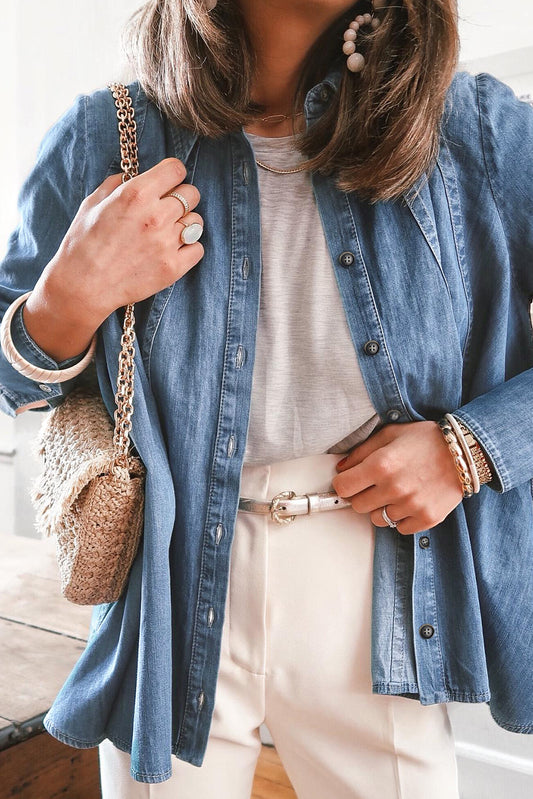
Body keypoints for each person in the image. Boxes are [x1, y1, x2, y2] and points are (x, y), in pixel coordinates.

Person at [1, 0, 532, 796]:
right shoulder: (105, 136)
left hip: (377, 573)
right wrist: (66, 301)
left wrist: (472, 447)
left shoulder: (472, 130)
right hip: (168, 589)